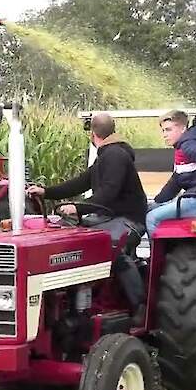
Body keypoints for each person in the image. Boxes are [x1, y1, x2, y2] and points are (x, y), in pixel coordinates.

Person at [26, 113, 148, 319]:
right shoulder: (106, 155)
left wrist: (78, 208)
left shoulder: (116, 155)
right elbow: (80, 183)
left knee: (111, 247)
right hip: (108, 216)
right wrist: (46, 192)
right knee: (67, 239)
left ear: (92, 134)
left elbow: (109, 192)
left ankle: (140, 306)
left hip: (129, 218)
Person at [144, 110, 196, 234]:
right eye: (163, 131)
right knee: (148, 210)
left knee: (152, 219)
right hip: (194, 200)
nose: (164, 134)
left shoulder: (189, 146)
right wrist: (156, 202)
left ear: (183, 129)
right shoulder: (182, 149)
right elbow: (176, 182)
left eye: (168, 130)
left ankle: (157, 253)